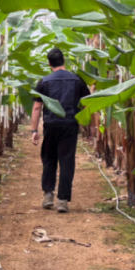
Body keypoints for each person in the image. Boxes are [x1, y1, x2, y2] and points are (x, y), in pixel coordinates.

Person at [30, 48, 90, 214]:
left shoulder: (44, 81)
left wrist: (34, 130)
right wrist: (85, 122)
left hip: (51, 125)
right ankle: (63, 200)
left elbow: (37, 107)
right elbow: (87, 102)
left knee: (49, 159)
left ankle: (48, 195)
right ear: (63, 60)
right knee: (67, 161)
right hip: (70, 125)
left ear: (49, 63)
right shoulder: (77, 80)